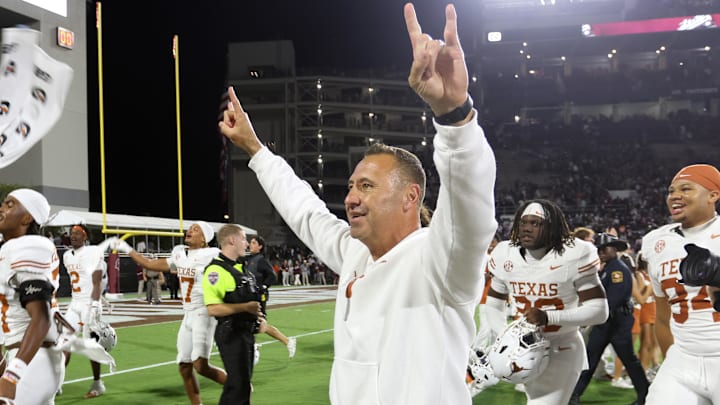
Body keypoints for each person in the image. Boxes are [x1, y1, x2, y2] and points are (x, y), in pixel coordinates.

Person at [218, 3, 497, 403]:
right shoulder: (354, 252)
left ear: (410, 197)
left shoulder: (440, 260)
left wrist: (454, 116)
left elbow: (471, 203)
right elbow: (305, 210)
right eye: (351, 186)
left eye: (366, 186)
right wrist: (255, 150)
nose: (350, 197)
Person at [485, 199, 609, 405]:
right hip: (524, 349)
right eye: (524, 222)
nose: (526, 228)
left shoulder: (574, 254)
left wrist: (548, 316)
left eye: (536, 223)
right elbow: (493, 303)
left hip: (561, 347)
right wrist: (505, 337)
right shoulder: (505, 254)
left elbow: (599, 310)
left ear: (552, 228)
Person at [112, 221, 226, 405]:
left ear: (205, 239)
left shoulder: (212, 254)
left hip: (204, 313)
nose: (190, 230)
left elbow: (230, 270)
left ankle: (240, 387)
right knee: (184, 366)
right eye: (190, 227)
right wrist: (126, 247)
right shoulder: (180, 254)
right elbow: (149, 263)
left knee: (200, 366)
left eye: (196, 230)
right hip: (188, 314)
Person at [640, 164, 720, 404]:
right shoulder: (656, 242)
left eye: (686, 188)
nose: (675, 196)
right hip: (682, 360)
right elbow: (663, 318)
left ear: (713, 195)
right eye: (671, 191)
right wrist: (671, 360)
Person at [570, 233, 648, 405]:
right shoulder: (608, 269)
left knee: (628, 360)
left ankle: (645, 395)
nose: (601, 252)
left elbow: (614, 299)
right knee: (590, 358)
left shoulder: (617, 269)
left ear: (614, 249)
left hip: (617, 323)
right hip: (606, 323)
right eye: (599, 249)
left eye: (604, 248)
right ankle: (574, 395)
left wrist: (591, 315)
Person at [0, 189, 63, 403]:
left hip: (33, 360)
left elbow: (42, 318)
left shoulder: (28, 246)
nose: (2, 208)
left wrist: (12, 375)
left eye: (10, 205)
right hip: (31, 358)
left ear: (27, 218)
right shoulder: (11, 248)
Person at [203, 224, 264, 405]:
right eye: (244, 239)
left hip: (245, 332)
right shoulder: (216, 271)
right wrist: (245, 308)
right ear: (232, 240)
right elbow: (213, 308)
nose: (246, 244)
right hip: (231, 333)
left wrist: (258, 317)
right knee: (237, 386)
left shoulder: (239, 268)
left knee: (242, 385)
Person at [61, 223, 111, 398]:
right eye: (71, 233)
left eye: (77, 233)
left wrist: (96, 304)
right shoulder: (67, 256)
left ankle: (98, 383)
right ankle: (57, 382)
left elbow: (96, 281)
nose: (73, 235)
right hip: (74, 304)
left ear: (85, 237)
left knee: (90, 345)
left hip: (90, 303)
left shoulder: (92, 252)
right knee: (63, 342)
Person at [245, 235, 296, 358]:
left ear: (260, 246)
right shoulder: (249, 259)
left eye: (253, 243)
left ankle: (287, 341)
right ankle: (253, 345)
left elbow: (272, 276)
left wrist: (263, 287)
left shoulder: (261, 260)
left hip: (258, 296)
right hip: (250, 295)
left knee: (260, 324)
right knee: (250, 322)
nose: (250, 244)